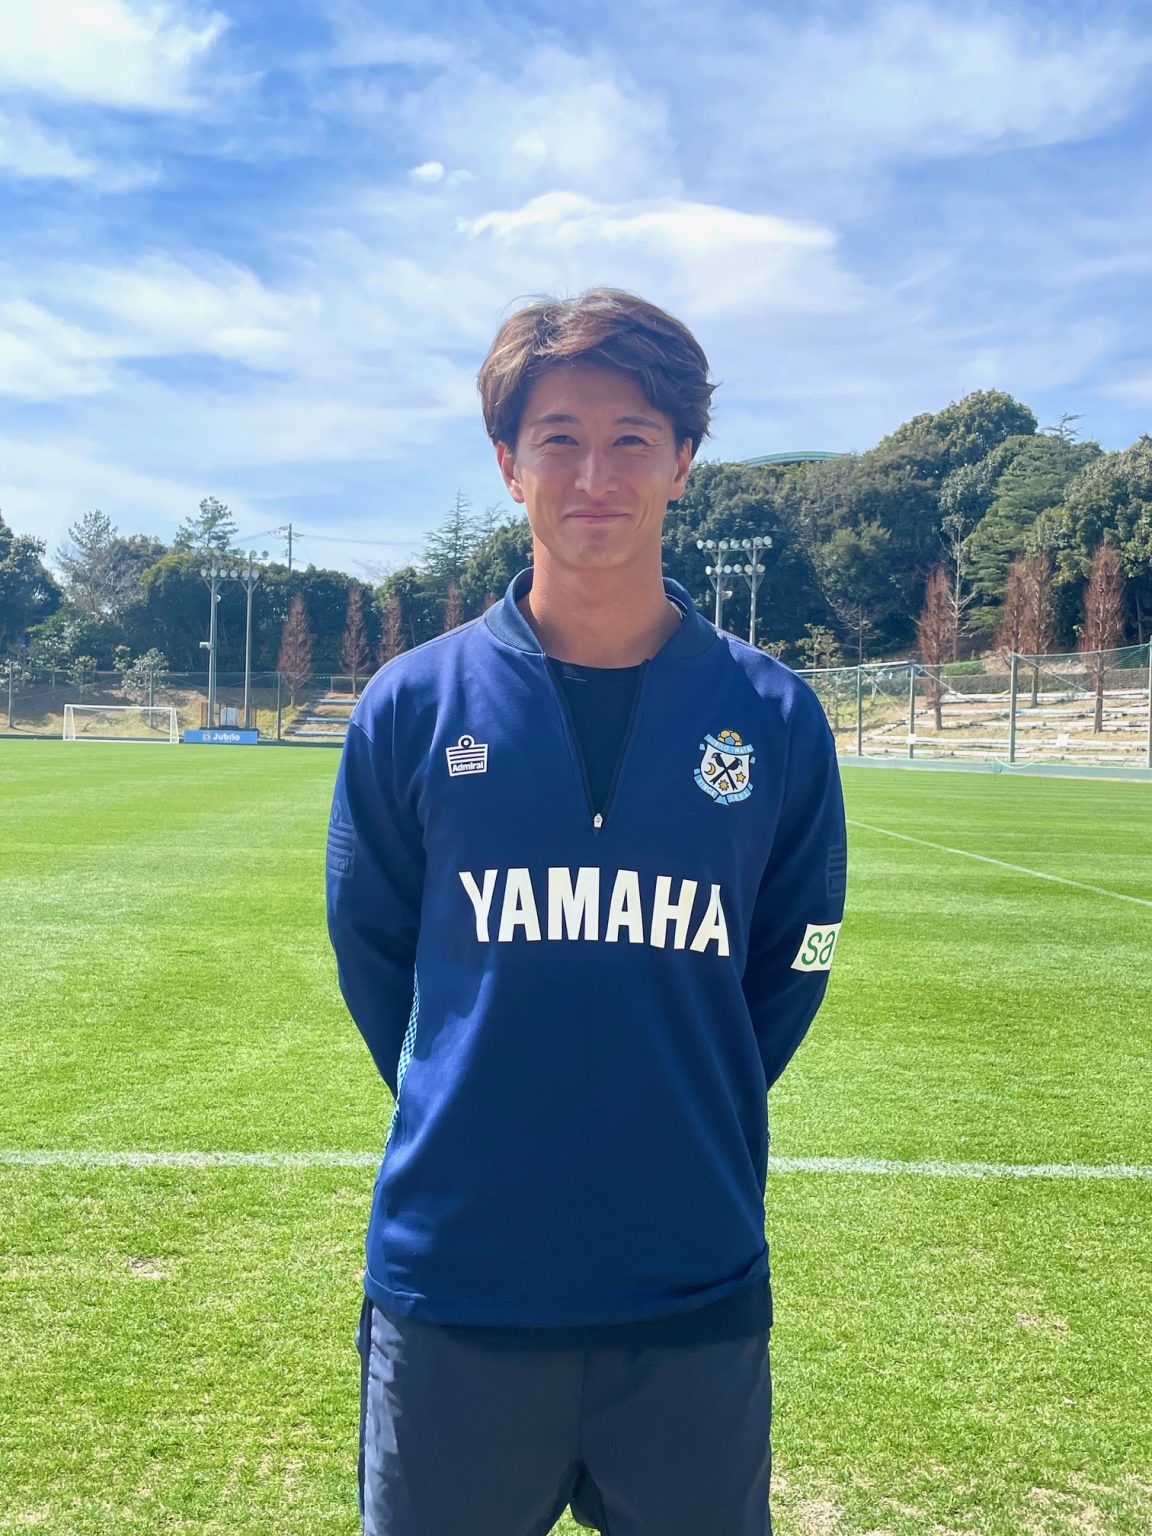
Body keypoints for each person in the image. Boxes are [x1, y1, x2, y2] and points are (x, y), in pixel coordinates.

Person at [325, 288, 847, 1536]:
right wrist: (481, 1084)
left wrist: (681, 1090)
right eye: (558, 438)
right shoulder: (412, 705)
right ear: (509, 464)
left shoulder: (774, 717)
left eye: (631, 439)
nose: (594, 475)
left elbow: (791, 963)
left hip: (689, 1282)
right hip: (458, 1283)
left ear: (683, 461)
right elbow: (376, 954)